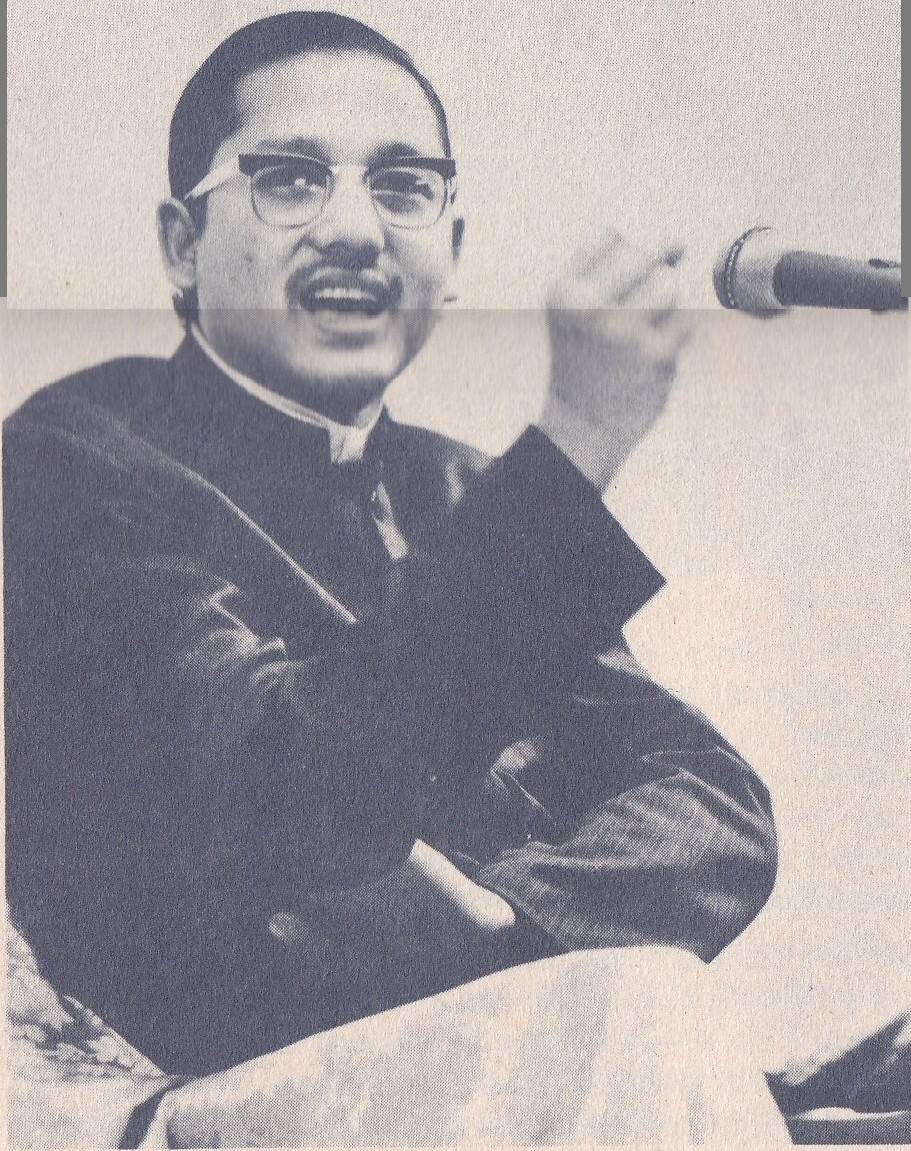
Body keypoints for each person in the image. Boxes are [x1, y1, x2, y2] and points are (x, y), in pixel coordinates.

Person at [4, 12, 777, 1077]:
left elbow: (709, 796)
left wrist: (501, 918)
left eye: (403, 187)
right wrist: (578, 441)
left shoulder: (456, 488)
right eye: (289, 180)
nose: (355, 232)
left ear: (451, 253)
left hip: (481, 1058)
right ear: (183, 245)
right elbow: (281, 784)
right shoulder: (73, 457)